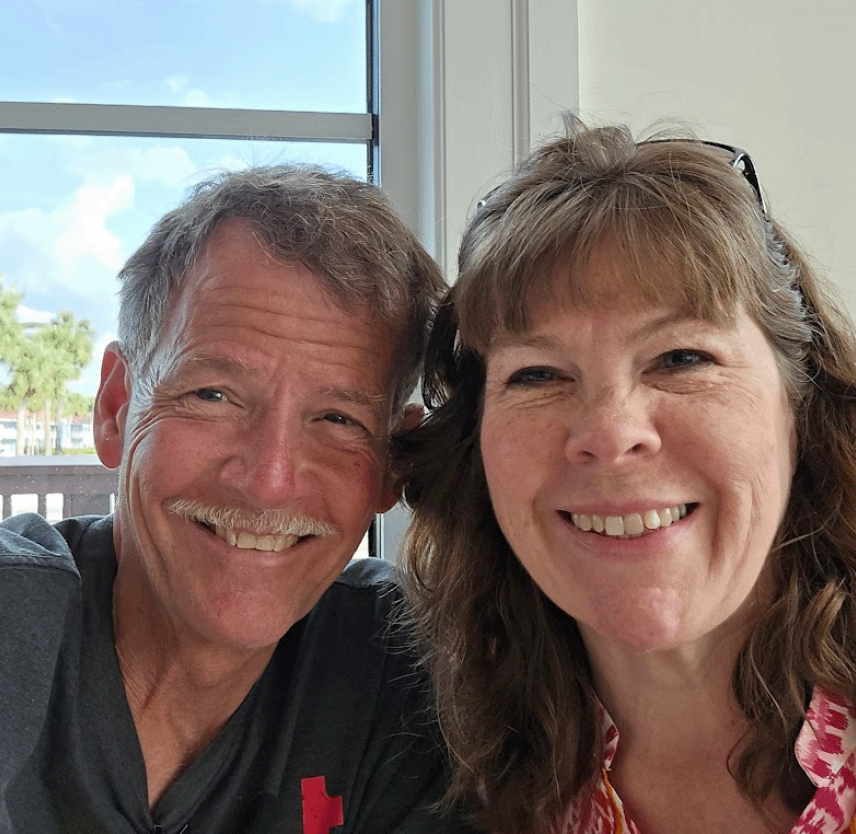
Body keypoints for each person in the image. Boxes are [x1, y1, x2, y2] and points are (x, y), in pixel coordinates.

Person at [397, 118, 856, 834]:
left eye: (681, 358)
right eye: (539, 374)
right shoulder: (443, 781)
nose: (609, 436)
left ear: (800, 404)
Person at [0, 165, 475, 833]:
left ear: (391, 466)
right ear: (116, 408)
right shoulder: (17, 616)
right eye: (212, 396)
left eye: (339, 419)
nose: (270, 480)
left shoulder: (402, 680)